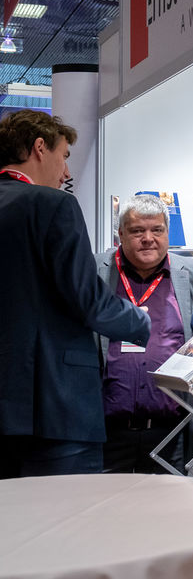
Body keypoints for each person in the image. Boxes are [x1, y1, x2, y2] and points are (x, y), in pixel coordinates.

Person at [0, 109, 150, 477]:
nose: (66, 172)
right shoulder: (53, 205)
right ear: (40, 148)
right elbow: (87, 299)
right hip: (56, 407)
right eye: (64, 156)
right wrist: (141, 322)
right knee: (67, 511)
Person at [95, 193, 193, 473]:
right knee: (103, 502)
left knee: (169, 502)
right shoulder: (92, 271)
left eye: (157, 230)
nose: (148, 238)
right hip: (105, 434)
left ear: (167, 233)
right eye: (137, 231)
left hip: (172, 434)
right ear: (120, 234)